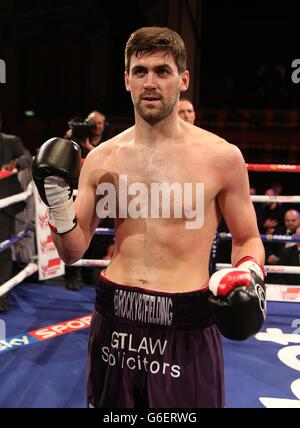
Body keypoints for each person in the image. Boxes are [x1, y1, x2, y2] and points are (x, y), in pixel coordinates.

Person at [33, 27, 266, 408]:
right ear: (126, 80)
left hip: (186, 320)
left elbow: (248, 239)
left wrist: (249, 274)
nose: (151, 82)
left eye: (163, 71)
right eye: (140, 72)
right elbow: (73, 251)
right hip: (115, 317)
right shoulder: (102, 159)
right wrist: (58, 204)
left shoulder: (222, 157)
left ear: (184, 79)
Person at [0, 114, 33, 312]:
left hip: (4, 206)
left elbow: (27, 157)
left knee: (3, 250)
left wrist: (15, 165)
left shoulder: (11, 141)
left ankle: (2, 296)